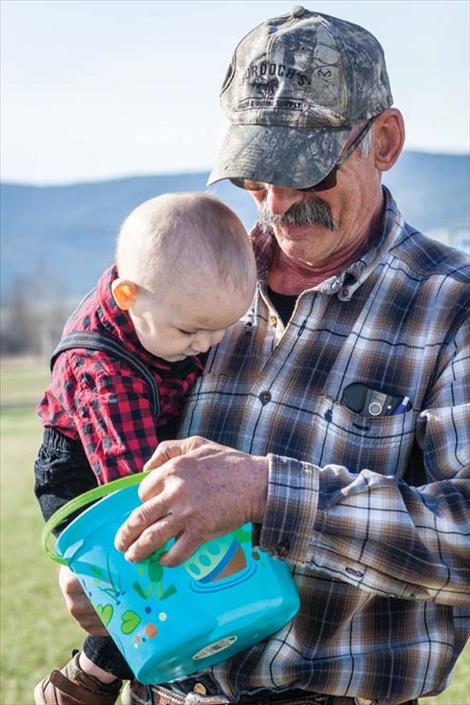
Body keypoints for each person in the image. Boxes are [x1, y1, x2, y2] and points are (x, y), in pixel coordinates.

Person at [58, 7, 470, 705]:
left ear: (386, 140)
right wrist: (102, 567)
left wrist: (266, 491)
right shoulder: (189, 278)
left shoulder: (451, 308)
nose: (277, 203)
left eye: (305, 170)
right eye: (257, 174)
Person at [33, 192, 257, 705]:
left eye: (220, 330)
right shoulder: (102, 372)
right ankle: (91, 678)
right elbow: (136, 488)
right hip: (87, 473)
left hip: (134, 446)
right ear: (128, 294)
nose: (205, 345)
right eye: (190, 331)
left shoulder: (164, 305)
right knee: (137, 570)